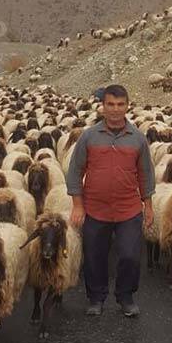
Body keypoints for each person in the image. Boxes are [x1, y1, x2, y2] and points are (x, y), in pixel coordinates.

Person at [66, 84, 155, 318]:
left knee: (129, 255)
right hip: (96, 208)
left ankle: (125, 296)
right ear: (102, 106)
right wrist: (77, 204)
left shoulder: (137, 138)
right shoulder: (89, 136)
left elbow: (146, 173)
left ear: (127, 106)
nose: (115, 110)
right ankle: (96, 297)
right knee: (95, 255)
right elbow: (75, 170)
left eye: (120, 105)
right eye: (110, 104)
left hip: (128, 208)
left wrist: (149, 205)